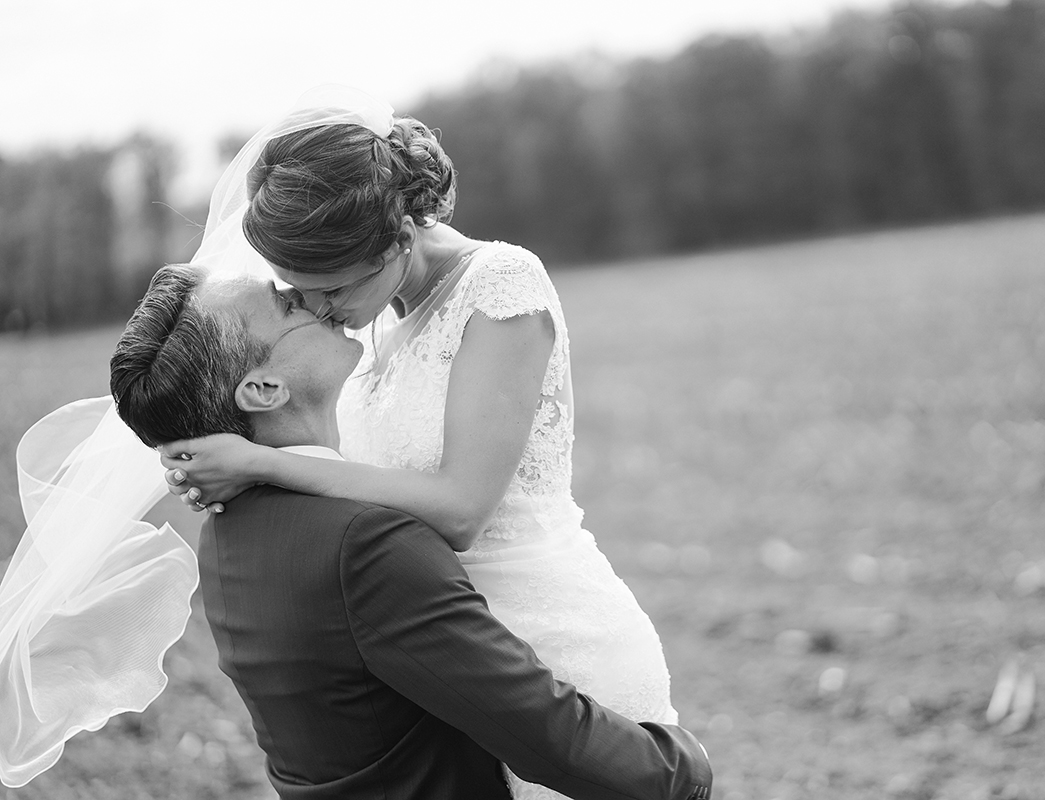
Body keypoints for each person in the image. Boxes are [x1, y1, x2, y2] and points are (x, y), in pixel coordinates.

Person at [162, 86, 677, 800]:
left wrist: (259, 461)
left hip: (554, 650)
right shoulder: (370, 317)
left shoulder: (501, 288)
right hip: (450, 668)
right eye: (299, 292)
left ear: (400, 240)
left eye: (332, 290)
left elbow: (461, 509)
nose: (318, 312)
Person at [110, 263, 712, 800]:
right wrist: (681, 770)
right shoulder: (365, 543)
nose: (309, 295)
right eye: (286, 304)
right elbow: (539, 730)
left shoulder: (225, 528)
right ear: (264, 389)